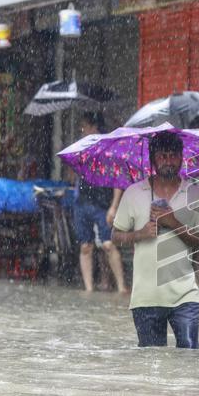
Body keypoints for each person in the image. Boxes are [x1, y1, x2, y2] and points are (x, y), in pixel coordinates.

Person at [110, 131, 199, 347]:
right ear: (153, 159)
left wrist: (173, 223)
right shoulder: (133, 192)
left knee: (189, 358)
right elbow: (115, 236)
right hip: (146, 297)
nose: (168, 161)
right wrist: (140, 234)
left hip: (186, 295)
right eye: (162, 155)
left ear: (182, 157)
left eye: (173, 155)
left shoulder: (195, 194)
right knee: (149, 366)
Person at [73, 112, 127, 293]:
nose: (82, 131)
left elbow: (118, 180)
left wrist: (114, 206)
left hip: (102, 204)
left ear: (94, 127)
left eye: (84, 127)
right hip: (82, 202)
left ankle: (121, 287)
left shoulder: (108, 150)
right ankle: (88, 289)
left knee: (108, 245)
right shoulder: (82, 149)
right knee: (85, 246)